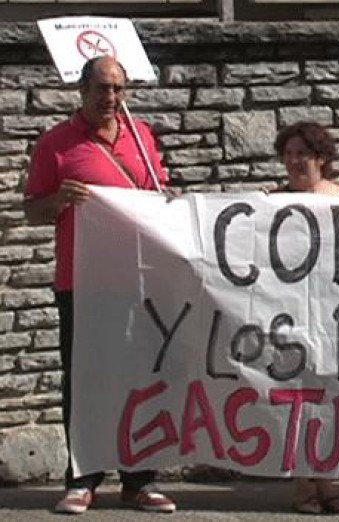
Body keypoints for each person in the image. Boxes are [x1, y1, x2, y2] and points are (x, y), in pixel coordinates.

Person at [23, 56, 176, 514]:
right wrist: (58, 200)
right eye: (102, 89)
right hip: (83, 282)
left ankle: (139, 480)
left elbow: (161, 197)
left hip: (140, 279)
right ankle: (83, 478)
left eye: (118, 89)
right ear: (82, 90)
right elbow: (32, 210)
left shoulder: (142, 139)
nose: (110, 98)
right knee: (85, 380)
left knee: (142, 379)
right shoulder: (56, 144)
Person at [270, 121, 339, 515]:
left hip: (336, 318)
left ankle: (329, 485)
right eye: (288, 155)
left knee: (331, 401)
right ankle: (305, 489)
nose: (293, 161)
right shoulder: (272, 202)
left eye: (301, 154)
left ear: (321, 158)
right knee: (299, 402)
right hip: (292, 318)